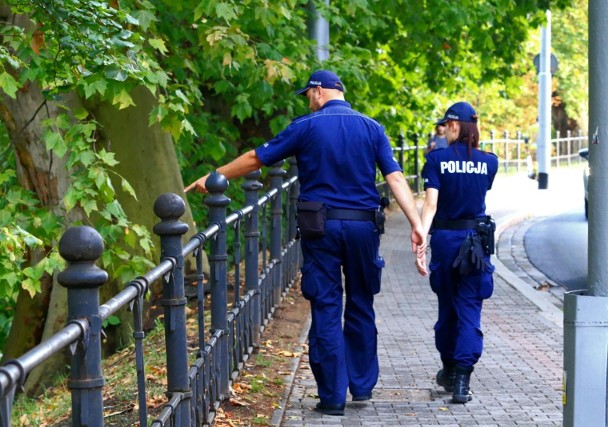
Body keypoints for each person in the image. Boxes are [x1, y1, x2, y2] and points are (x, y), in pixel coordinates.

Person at [186, 70, 425, 416]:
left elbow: (256, 158)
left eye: (307, 95)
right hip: (363, 229)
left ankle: (331, 398)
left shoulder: (307, 126)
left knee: (326, 305)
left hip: (320, 228)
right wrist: (416, 223)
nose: (307, 101)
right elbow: (395, 177)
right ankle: (361, 387)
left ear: (318, 92)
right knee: (361, 302)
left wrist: (215, 177)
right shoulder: (373, 128)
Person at [415, 101, 498, 404]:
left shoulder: (436, 160)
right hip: (474, 243)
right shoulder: (490, 161)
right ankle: (462, 377)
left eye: (446, 126)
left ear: (453, 126)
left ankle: (449, 367)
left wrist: (421, 236)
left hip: (446, 240)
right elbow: (480, 192)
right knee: (469, 309)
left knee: (447, 307)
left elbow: (431, 205)